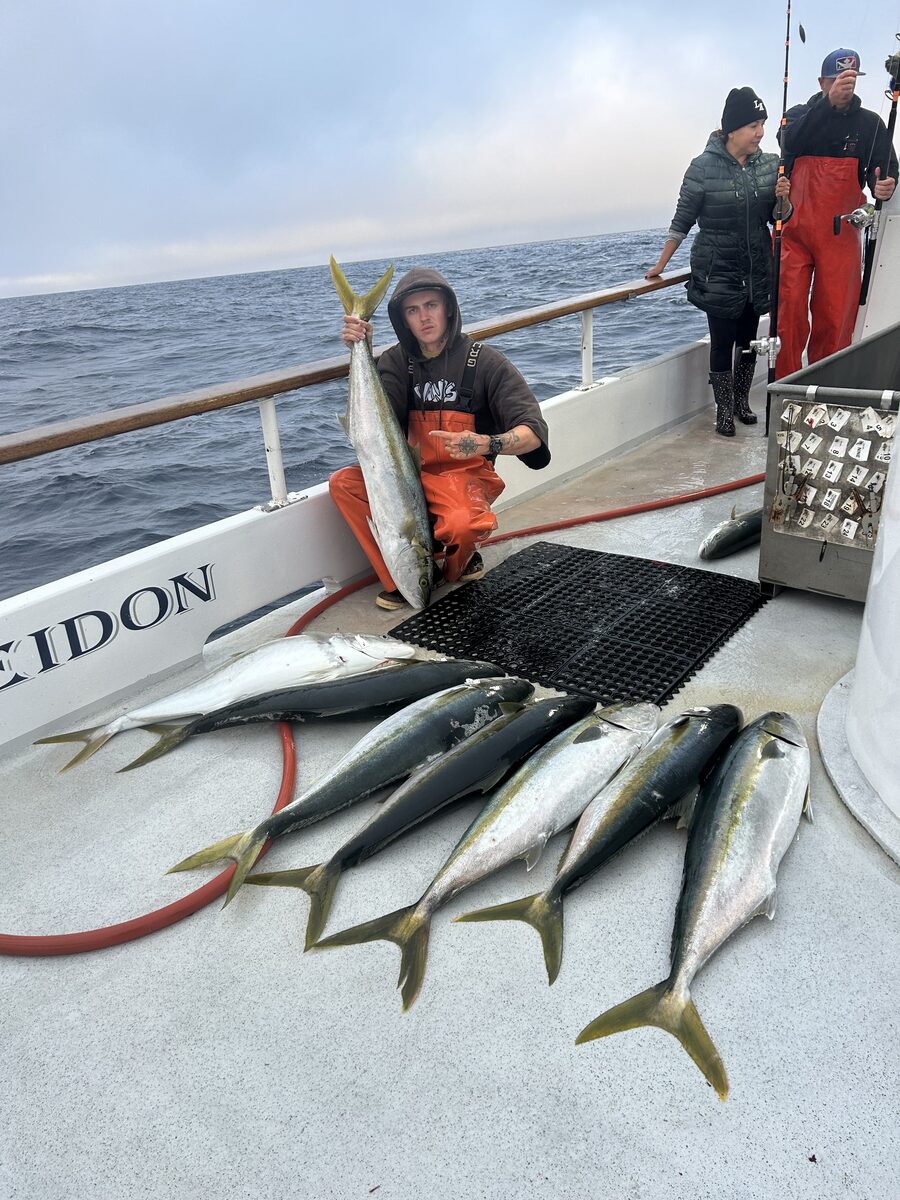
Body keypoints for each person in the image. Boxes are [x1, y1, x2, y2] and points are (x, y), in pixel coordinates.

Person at [330, 267, 550, 609]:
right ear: (403, 319)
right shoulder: (396, 362)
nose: (424, 317)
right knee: (344, 484)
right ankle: (402, 576)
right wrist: (361, 349)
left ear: (448, 308)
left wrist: (486, 443)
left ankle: (459, 562)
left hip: (462, 479)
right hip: (411, 477)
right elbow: (379, 421)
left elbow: (533, 433)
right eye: (412, 310)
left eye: (431, 305)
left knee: (462, 523)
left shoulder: (485, 362)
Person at [646, 87, 791, 436]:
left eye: (763, 124)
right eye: (754, 125)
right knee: (722, 341)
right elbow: (682, 220)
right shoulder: (702, 168)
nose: (760, 132)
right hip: (718, 270)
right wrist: (661, 265)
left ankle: (742, 402)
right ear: (732, 129)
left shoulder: (771, 164)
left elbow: (778, 217)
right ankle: (723, 411)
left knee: (749, 340)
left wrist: (784, 200)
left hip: (755, 269)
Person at [777, 48, 898, 378]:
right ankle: (785, 386)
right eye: (836, 80)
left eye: (851, 79)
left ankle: (825, 386)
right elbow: (789, 143)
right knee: (788, 314)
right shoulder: (798, 116)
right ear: (821, 82)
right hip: (795, 233)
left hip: (841, 234)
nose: (844, 86)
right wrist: (827, 105)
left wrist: (884, 185)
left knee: (835, 316)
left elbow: (884, 169)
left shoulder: (870, 124)